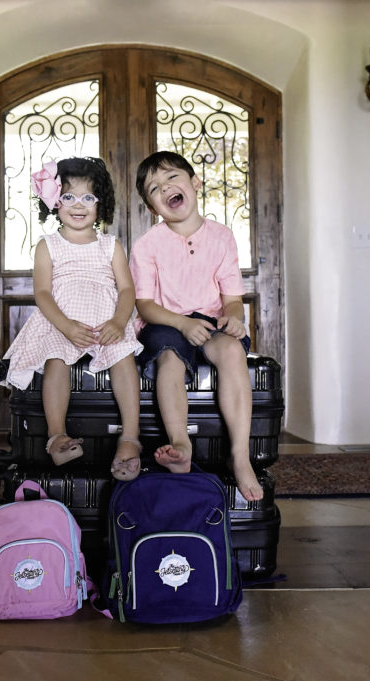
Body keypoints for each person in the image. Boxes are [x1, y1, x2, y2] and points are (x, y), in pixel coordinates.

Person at [129, 151, 263, 502]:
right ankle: (181, 445)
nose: (165, 187)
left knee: (233, 350)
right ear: (153, 207)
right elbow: (144, 304)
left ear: (195, 183)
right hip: (165, 320)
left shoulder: (221, 237)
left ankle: (240, 455)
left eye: (172, 177)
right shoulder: (147, 246)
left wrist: (234, 317)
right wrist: (181, 324)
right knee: (170, 357)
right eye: (154, 188)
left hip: (209, 321)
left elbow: (232, 297)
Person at [0, 157, 143, 481]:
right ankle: (57, 436)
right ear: (54, 203)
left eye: (88, 198)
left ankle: (130, 438)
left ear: (101, 204)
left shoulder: (110, 245)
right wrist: (64, 326)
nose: (78, 206)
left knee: (123, 358)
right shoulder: (47, 245)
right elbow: (43, 294)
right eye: (68, 197)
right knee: (55, 359)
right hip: (62, 319)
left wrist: (119, 322)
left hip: (105, 317)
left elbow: (126, 289)